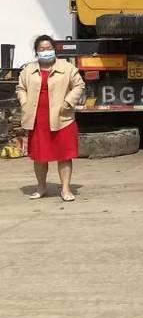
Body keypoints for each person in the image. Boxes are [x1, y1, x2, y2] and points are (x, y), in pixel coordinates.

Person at [16, 35, 85, 202]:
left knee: (64, 155)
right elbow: (20, 88)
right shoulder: (28, 71)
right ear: (36, 52)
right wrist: (24, 103)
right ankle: (41, 187)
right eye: (42, 49)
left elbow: (79, 85)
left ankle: (66, 189)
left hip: (62, 118)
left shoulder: (67, 68)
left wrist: (68, 102)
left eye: (48, 48)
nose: (45, 52)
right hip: (37, 119)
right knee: (40, 156)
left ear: (54, 50)